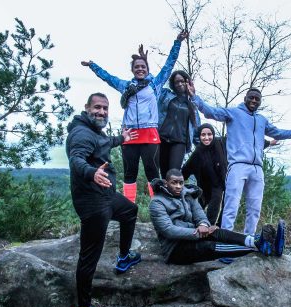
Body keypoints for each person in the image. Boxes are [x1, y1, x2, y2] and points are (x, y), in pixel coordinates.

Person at [188, 83, 291, 235]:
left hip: (257, 169)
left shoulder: (262, 120)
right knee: (231, 206)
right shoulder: (233, 113)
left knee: (254, 208)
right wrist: (195, 97)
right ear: (245, 98)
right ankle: (225, 240)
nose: (254, 100)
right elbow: (211, 112)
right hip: (238, 166)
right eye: (251, 97)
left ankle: (248, 241)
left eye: (257, 99)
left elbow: (278, 133)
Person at [81, 30, 188, 203]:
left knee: (152, 173)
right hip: (130, 134)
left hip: (150, 134)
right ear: (132, 70)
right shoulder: (125, 86)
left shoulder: (155, 84)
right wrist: (93, 66)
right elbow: (108, 77)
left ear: (147, 70)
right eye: (136, 67)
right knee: (129, 173)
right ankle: (128, 207)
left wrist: (177, 42)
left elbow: (169, 64)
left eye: (143, 67)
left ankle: (158, 208)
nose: (140, 69)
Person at [66, 93, 143, 307]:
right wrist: (91, 173)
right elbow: (76, 159)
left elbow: (104, 143)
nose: (101, 112)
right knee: (90, 256)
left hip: (106, 194)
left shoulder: (95, 132)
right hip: (92, 201)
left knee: (130, 210)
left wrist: (122, 138)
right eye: (97, 107)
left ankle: (123, 257)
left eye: (105, 108)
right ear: (86, 107)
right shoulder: (80, 133)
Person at [149, 169, 286, 264]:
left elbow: (200, 215)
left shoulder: (188, 195)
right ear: (166, 183)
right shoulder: (157, 202)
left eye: (181, 182)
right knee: (210, 246)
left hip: (193, 236)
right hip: (175, 250)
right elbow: (168, 230)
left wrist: (203, 225)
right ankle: (260, 247)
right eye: (174, 183)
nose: (178, 186)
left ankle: (256, 241)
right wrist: (198, 233)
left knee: (218, 232)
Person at [157, 70, 201, 176]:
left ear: (187, 82)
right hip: (161, 139)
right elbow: (155, 83)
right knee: (163, 174)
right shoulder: (165, 95)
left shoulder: (192, 104)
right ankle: (163, 193)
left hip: (179, 142)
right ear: (173, 84)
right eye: (176, 82)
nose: (179, 84)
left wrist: (203, 148)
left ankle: (175, 192)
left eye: (182, 81)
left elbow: (196, 128)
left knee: (174, 173)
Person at [181, 123, 226, 225]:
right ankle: (194, 224)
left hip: (220, 182)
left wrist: (267, 143)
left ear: (213, 135)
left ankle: (211, 227)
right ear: (199, 136)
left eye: (209, 134)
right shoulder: (198, 152)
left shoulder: (221, 143)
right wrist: (174, 182)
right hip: (204, 185)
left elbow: (241, 141)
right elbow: (185, 170)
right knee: (198, 206)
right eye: (203, 135)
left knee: (216, 201)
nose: (206, 138)